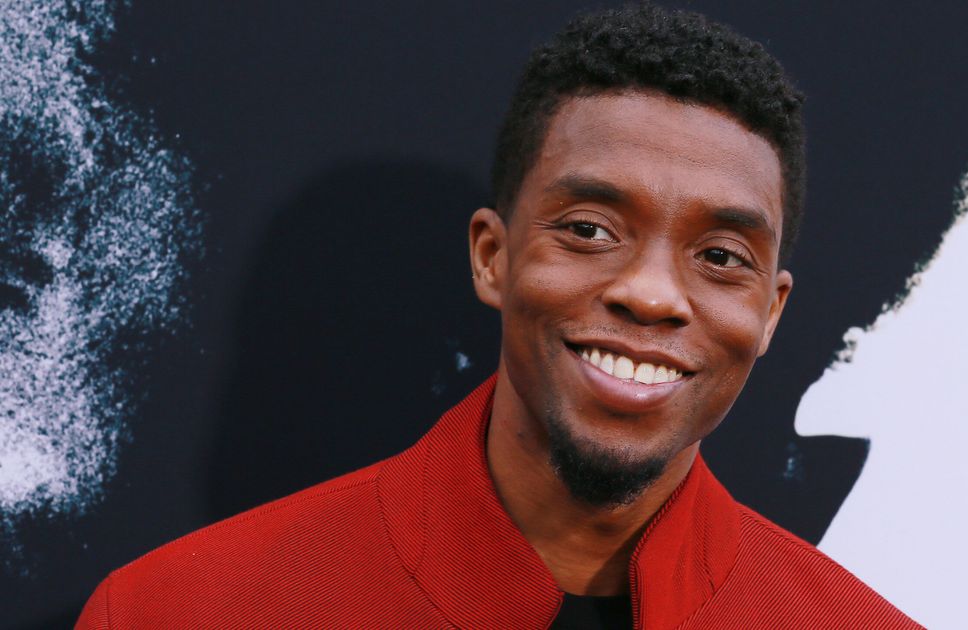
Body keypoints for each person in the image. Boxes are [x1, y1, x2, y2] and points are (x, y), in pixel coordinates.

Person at [77, 5, 918, 628]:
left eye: (722, 257)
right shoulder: (173, 612)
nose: (653, 294)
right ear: (493, 257)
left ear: (770, 313)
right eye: (589, 230)